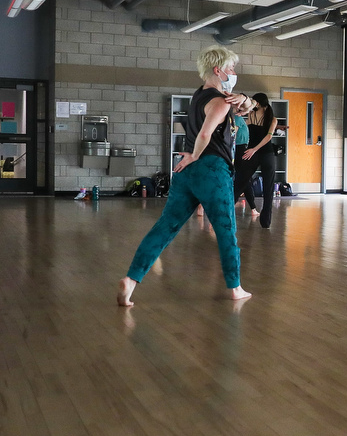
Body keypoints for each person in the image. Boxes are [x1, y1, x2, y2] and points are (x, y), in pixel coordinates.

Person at [118, 45, 254, 306]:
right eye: (231, 68)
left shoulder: (199, 96)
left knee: (165, 227)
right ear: (218, 70)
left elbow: (245, 107)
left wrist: (245, 100)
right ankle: (235, 288)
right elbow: (204, 134)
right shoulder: (219, 102)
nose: (234, 72)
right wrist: (195, 154)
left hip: (185, 173)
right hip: (212, 170)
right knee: (226, 230)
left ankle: (131, 280)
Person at [234, 93, 278, 229]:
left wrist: (254, 149)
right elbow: (240, 120)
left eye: (254, 101)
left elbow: (268, 138)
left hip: (266, 154)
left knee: (268, 187)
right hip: (252, 153)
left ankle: (266, 222)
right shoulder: (251, 116)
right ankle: (224, 213)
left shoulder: (273, 119)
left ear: (258, 103)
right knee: (239, 182)